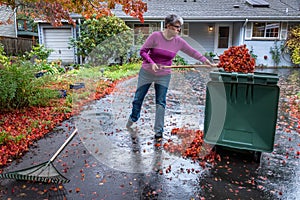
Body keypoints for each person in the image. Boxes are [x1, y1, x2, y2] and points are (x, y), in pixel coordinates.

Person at [126, 14, 217, 139]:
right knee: (138, 98)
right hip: (147, 72)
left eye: (180, 28)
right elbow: (142, 51)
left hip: (164, 75)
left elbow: (192, 52)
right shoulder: (155, 37)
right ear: (168, 26)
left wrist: (205, 60)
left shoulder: (178, 41)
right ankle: (133, 117)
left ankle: (158, 130)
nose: (179, 30)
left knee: (161, 101)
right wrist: (151, 63)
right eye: (177, 27)